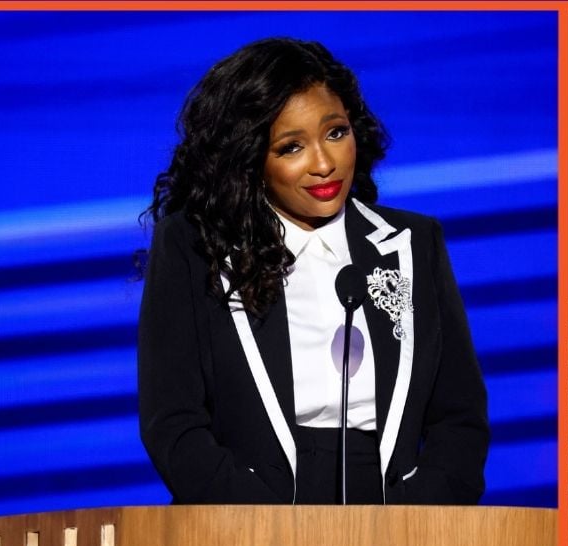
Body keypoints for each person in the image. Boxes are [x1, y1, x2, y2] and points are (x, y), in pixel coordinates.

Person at [138, 38, 488, 506]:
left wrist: (419, 522)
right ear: (251, 160)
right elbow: (174, 423)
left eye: (336, 133)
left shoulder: (413, 243)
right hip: (247, 521)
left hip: (398, 523)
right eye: (291, 147)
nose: (324, 164)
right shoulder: (195, 246)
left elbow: (459, 417)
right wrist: (261, 528)